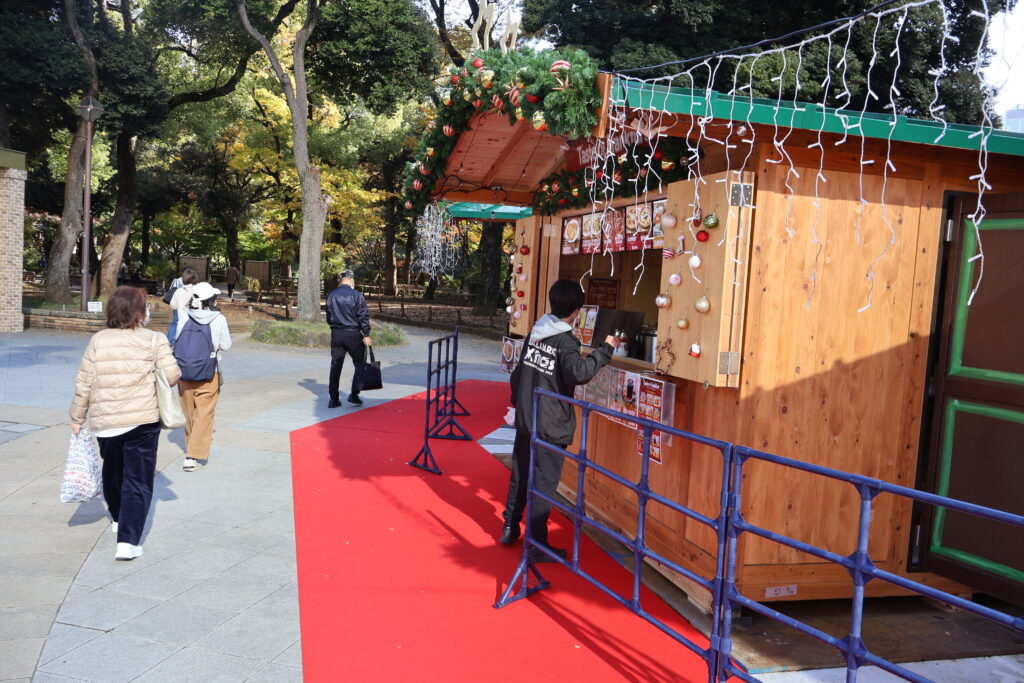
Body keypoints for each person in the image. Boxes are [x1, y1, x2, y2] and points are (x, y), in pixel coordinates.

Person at [500, 280, 618, 562]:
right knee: (543, 483)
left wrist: (517, 403)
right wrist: (606, 349)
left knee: (521, 473)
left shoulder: (537, 331)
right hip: (550, 424)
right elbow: (579, 373)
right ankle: (536, 544)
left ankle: (509, 527)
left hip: (528, 417)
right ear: (576, 311)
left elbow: (518, 374)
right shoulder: (566, 342)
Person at [69, 286, 180, 561]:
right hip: (142, 421)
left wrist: (77, 418)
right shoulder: (154, 339)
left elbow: (84, 382)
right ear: (139, 313)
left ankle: (118, 518)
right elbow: (173, 376)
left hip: (106, 422)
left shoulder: (98, 340)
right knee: (137, 480)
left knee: (113, 471)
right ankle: (128, 542)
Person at [175, 282, 232, 472]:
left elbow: (176, 339)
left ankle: (190, 447)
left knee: (189, 413)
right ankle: (193, 456)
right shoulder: (219, 319)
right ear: (211, 301)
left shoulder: (185, 316)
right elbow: (226, 345)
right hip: (208, 373)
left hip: (184, 372)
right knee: (204, 415)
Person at [325, 269, 372, 408]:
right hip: (353, 333)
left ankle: (333, 399)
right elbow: (363, 316)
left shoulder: (331, 295)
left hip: (336, 333)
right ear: (351, 279)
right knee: (360, 364)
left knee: (335, 365)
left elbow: (328, 315)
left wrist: (334, 326)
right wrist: (366, 334)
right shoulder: (357, 295)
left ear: (340, 280)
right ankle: (354, 394)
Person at [166, 266, 197, 344]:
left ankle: (170, 340)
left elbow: (173, 305)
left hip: (178, 310)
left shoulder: (178, 288)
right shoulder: (196, 290)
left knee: (175, 324)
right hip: (191, 313)